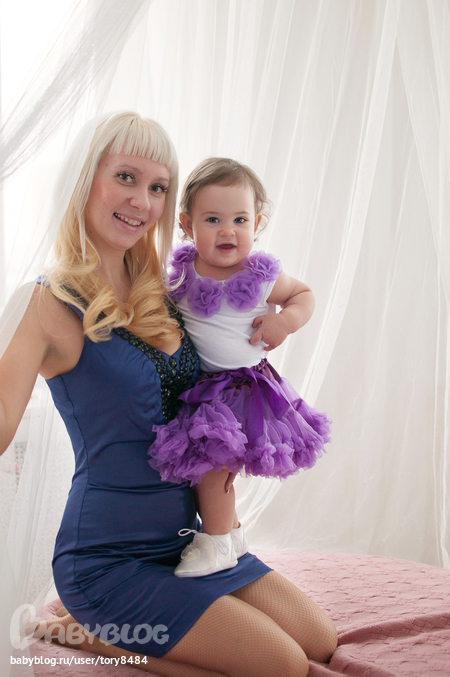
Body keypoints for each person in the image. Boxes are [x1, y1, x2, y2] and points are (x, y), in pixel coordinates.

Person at [0, 112, 337, 677]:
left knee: (319, 641)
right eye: (125, 177)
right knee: (281, 665)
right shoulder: (45, 303)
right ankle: (92, 634)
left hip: (188, 544)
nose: (142, 201)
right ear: (86, 179)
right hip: (109, 561)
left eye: (158, 187)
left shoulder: (166, 287)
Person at [148, 158, 331, 579]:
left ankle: (214, 543)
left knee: (214, 468)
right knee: (214, 469)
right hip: (203, 386)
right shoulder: (181, 277)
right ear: (187, 224)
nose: (227, 231)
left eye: (240, 220)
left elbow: (304, 293)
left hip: (244, 389)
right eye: (213, 219)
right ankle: (231, 534)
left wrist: (286, 321)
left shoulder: (260, 277)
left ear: (257, 223)